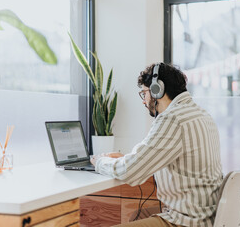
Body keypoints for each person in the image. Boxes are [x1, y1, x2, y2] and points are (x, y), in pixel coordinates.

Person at [91, 63, 223, 227]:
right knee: (138, 214)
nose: (144, 101)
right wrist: (127, 158)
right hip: (207, 217)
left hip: (187, 221)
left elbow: (132, 171)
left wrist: (99, 162)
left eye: (144, 93)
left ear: (157, 90)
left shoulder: (173, 119)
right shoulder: (201, 114)